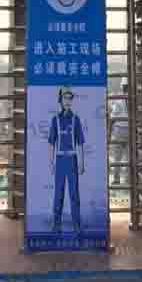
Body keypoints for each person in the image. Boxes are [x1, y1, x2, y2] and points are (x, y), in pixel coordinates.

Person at [49, 86, 85, 233]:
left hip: (72, 160)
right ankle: (57, 223)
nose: (68, 101)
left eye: (70, 98)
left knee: (74, 193)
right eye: (65, 98)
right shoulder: (55, 120)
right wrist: (51, 162)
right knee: (58, 193)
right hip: (60, 160)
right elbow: (51, 143)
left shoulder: (76, 119)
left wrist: (81, 162)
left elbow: (80, 143)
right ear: (60, 100)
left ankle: (76, 223)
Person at [110, 83, 129, 187]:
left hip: (119, 131)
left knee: (118, 157)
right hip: (128, 130)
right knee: (128, 156)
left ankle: (117, 179)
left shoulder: (118, 101)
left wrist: (109, 133)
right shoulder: (133, 100)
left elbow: (112, 118)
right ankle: (127, 179)